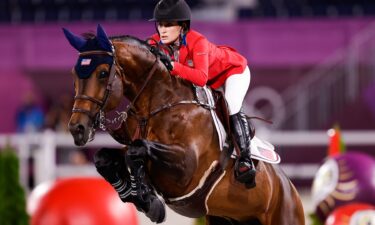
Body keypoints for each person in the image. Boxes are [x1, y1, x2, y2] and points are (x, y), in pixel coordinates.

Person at [148, 0, 256, 187]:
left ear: (182, 26)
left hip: (233, 71)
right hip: (211, 79)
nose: (162, 30)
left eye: (168, 24)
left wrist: (173, 66)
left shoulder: (198, 42)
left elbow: (200, 78)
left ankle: (245, 159)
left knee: (230, 106)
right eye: (160, 24)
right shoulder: (156, 41)